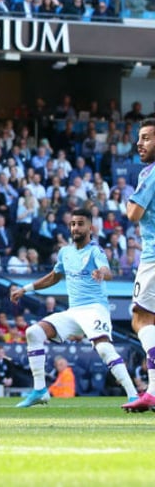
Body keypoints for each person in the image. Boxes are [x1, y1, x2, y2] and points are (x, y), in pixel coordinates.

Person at [11, 208, 138, 407]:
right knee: (33, 332)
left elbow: (107, 270)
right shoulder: (65, 252)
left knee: (104, 349)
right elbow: (54, 276)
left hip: (95, 308)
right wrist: (25, 289)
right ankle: (40, 391)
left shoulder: (95, 250)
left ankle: (133, 395)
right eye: (73, 224)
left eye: (80, 224)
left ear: (90, 228)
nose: (75, 228)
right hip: (74, 311)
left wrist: (102, 274)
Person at [123, 118, 155, 411]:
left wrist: (126, 203)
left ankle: (154, 390)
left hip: (153, 257)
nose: (139, 143)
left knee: (141, 319)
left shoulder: (151, 174)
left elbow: (133, 213)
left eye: (146, 138)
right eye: (139, 138)